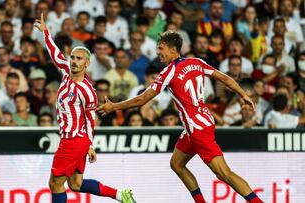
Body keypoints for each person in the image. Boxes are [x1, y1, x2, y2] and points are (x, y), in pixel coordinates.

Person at [98, 30, 264, 203]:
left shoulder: (169, 72)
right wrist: (243, 94)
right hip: (203, 121)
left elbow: (142, 99)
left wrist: (114, 106)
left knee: (224, 173)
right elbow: (225, 78)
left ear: (173, 50)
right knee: (176, 164)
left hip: (196, 128)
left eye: (161, 48)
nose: (158, 52)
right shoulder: (196, 62)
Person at [34, 13, 135, 203]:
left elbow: (90, 118)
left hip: (73, 140)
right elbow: (54, 53)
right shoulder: (65, 71)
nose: (74, 61)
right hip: (77, 140)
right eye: (72, 57)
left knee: (55, 184)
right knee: (76, 184)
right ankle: (119, 195)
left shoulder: (87, 90)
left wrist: (89, 143)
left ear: (87, 63)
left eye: (79, 58)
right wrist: (46, 32)